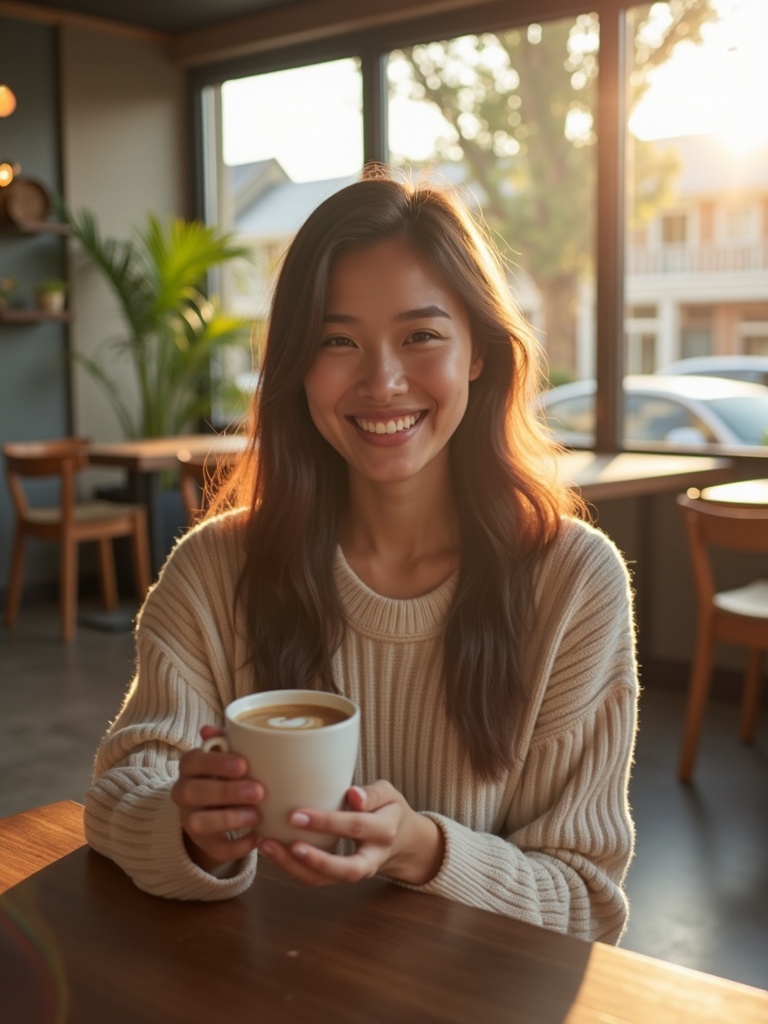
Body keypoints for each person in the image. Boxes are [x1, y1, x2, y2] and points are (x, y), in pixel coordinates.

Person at [84, 171, 638, 944]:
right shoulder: (216, 568)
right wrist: (188, 828)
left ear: (478, 352)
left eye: (420, 336)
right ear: (297, 367)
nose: (381, 381)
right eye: (336, 341)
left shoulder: (572, 581)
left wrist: (422, 850)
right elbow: (118, 793)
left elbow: (585, 900)